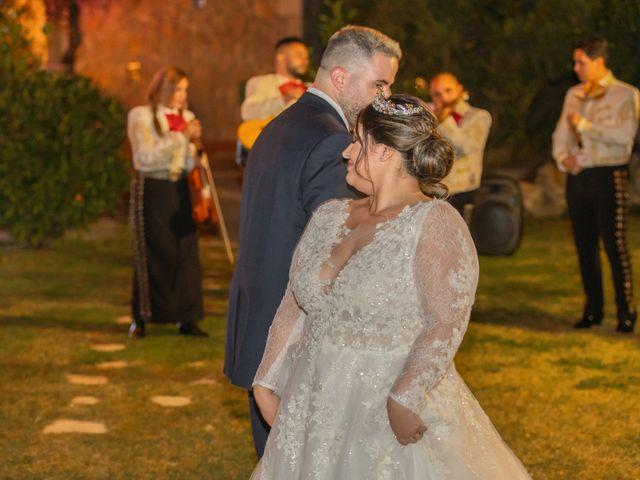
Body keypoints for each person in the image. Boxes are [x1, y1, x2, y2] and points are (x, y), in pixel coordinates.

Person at [250, 93, 531, 479]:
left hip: (384, 406)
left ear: (383, 152)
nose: (347, 153)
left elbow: (445, 319)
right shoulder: (329, 215)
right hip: (314, 402)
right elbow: (293, 304)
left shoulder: (434, 222)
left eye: (357, 142)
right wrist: (265, 382)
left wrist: (404, 397)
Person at [225, 26, 401, 457]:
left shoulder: (280, 125)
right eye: (378, 84)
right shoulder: (333, 141)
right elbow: (334, 253)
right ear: (340, 78)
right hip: (294, 338)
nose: (384, 98)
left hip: (258, 324)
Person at [552, 37, 639, 333]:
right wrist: (564, 159)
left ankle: (626, 312)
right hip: (579, 176)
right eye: (575, 62)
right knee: (584, 245)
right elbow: (560, 133)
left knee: (614, 244)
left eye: (581, 62)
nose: (576, 68)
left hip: (608, 173)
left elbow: (625, 137)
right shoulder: (574, 94)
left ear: (599, 60)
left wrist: (586, 126)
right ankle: (593, 310)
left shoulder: (625, 94)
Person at [127, 67, 208, 338]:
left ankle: (187, 318)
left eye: (185, 89)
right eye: (178, 89)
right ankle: (142, 318)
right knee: (151, 251)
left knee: (185, 252)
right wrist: (179, 138)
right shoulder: (141, 116)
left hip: (180, 187)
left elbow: (185, 161)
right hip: (151, 187)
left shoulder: (187, 117)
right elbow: (145, 157)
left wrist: (194, 150)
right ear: (163, 88)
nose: (183, 95)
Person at [236, 37, 310, 166]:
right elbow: (247, 112)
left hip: (302, 156)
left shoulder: (312, 88)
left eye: (306, 57)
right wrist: (283, 99)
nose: (305, 61)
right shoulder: (261, 82)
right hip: (269, 157)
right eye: (299, 55)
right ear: (280, 57)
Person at [429, 72, 491, 220]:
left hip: (463, 190)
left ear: (459, 89)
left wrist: (444, 120)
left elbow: (465, 147)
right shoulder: (428, 116)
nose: (443, 98)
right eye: (437, 94)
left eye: (448, 91)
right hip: (433, 189)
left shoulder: (479, 116)